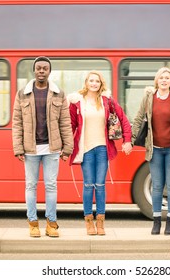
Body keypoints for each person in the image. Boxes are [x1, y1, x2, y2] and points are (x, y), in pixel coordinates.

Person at [12, 56, 73, 238]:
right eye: (38, 68)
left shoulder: (58, 93)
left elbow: (65, 122)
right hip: (30, 149)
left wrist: (67, 148)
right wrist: (18, 148)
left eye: (44, 68)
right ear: (34, 70)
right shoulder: (22, 93)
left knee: (51, 186)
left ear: (49, 71)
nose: (41, 71)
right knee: (30, 186)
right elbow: (17, 122)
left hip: (52, 148)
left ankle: (51, 223)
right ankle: (33, 223)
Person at [68, 70, 132, 236]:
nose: (94, 83)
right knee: (89, 185)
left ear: (100, 83)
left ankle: (101, 222)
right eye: (91, 81)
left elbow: (123, 118)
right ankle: (89, 221)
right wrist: (66, 146)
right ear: (86, 83)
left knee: (100, 185)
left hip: (103, 148)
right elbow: (70, 126)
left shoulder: (107, 100)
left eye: (97, 81)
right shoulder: (77, 102)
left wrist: (127, 140)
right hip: (86, 149)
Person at [131, 67, 170, 235]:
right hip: (154, 150)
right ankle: (156, 222)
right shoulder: (149, 98)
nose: (164, 80)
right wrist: (130, 140)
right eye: (161, 78)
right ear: (157, 80)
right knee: (157, 186)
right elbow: (139, 118)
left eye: (167, 78)